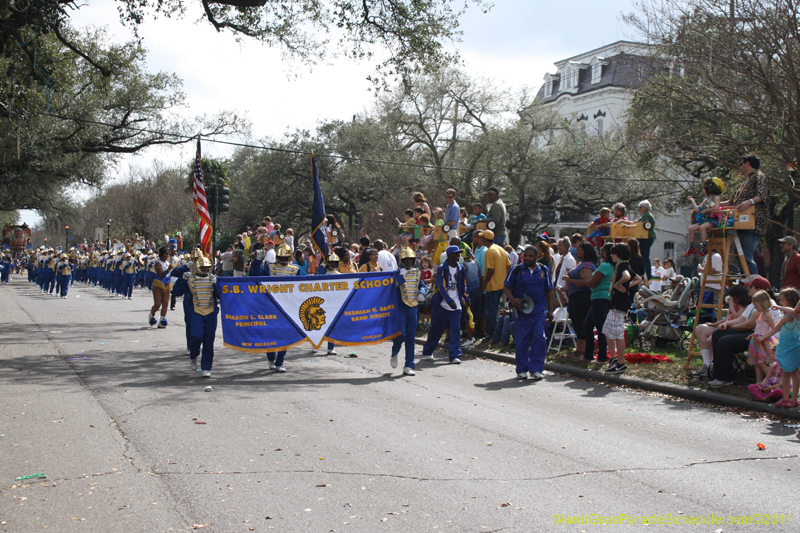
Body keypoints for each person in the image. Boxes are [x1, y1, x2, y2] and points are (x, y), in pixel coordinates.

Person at [707, 276, 777, 388]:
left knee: (725, 341)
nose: (748, 288)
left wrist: (732, 327)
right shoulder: (754, 302)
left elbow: (749, 324)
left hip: (763, 338)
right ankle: (718, 373)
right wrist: (727, 324)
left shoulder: (766, 303)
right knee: (717, 334)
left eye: (751, 286)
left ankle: (725, 378)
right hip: (753, 333)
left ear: (759, 289)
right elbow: (741, 319)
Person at [503, 245, 554, 379]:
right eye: (525, 255)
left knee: (540, 338)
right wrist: (513, 299)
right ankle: (521, 369)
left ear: (536, 257)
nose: (527, 258)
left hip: (538, 312)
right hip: (522, 312)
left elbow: (549, 290)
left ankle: (536, 369)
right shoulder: (516, 269)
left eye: (530, 256)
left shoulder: (543, 270)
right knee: (521, 341)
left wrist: (550, 310)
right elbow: (506, 287)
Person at [720, 153, 770, 275]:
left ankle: (754, 285)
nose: (740, 167)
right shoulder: (747, 181)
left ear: (747, 163)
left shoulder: (760, 176)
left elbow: (762, 195)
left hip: (752, 223)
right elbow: (732, 202)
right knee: (740, 257)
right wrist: (712, 205)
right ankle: (747, 284)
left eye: (741, 163)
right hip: (741, 223)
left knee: (746, 256)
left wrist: (750, 202)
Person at [690, 284, 750, 380]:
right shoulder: (734, 305)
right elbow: (727, 318)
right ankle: (707, 365)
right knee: (700, 328)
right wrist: (714, 324)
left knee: (711, 339)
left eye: (735, 298)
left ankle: (719, 365)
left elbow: (737, 318)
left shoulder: (744, 306)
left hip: (733, 329)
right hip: (724, 326)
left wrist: (731, 304)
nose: (733, 300)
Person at [422, 245, 469, 364]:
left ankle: (454, 355)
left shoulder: (461, 268)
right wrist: (449, 300)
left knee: (455, 330)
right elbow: (441, 287)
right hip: (442, 304)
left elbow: (463, 285)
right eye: (456, 254)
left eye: (459, 253)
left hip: (456, 305)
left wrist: (466, 298)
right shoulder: (442, 269)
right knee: (436, 329)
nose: (458, 256)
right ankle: (428, 351)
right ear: (449, 256)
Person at [261, 244, 301, 371]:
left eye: (286, 257)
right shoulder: (269, 267)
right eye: (281, 257)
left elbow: (303, 285)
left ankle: (280, 362)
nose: (283, 260)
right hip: (270, 305)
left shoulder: (295, 269)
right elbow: (255, 277)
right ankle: (270, 358)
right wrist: (257, 262)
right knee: (270, 333)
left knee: (285, 334)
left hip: (288, 306)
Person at [603, 243, 641, 374]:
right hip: (616, 302)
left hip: (619, 304)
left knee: (617, 333)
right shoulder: (624, 264)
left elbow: (627, 277)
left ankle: (620, 363)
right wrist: (627, 287)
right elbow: (638, 278)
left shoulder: (622, 265)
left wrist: (619, 284)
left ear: (618, 254)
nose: (611, 255)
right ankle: (613, 358)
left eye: (613, 253)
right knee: (607, 330)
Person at [390, 248, 427, 375]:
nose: (409, 261)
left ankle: (409, 365)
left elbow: (422, 285)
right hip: (401, 307)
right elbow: (393, 287)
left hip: (413, 307)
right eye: (406, 259)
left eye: (411, 259)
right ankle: (395, 352)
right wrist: (401, 276)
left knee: (411, 336)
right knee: (401, 333)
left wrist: (422, 293)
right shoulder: (397, 273)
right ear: (402, 260)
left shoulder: (418, 272)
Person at [181, 255, 219, 377]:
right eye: (202, 268)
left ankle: (206, 367)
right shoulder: (191, 280)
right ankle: (193, 355)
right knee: (196, 337)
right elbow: (176, 291)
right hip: (196, 312)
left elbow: (222, 295)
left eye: (207, 268)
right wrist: (183, 278)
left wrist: (217, 285)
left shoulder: (214, 279)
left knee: (209, 340)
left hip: (211, 313)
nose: (205, 270)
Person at [762, 288, 800, 407]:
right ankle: (785, 398)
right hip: (783, 346)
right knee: (785, 372)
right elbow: (776, 328)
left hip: (793, 347)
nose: (780, 302)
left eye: (783, 300)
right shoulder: (785, 315)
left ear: (791, 300)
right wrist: (782, 320)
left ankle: (794, 399)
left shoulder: (796, 314)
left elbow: (794, 311)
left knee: (794, 371)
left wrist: (779, 308)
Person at [562, 243, 596, 357]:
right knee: (576, 323)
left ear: (585, 252)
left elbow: (586, 282)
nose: (576, 252)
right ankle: (579, 348)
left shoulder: (587, 265)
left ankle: (583, 349)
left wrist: (568, 279)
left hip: (582, 297)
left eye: (579, 250)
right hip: (575, 297)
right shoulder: (580, 264)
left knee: (581, 323)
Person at [582, 243, 614, 363]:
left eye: (602, 250)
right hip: (600, 298)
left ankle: (601, 357)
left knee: (601, 328)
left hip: (600, 298)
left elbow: (592, 282)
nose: (600, 251)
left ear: (606, 252)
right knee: (587, 325)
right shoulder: (612, 266)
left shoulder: (605, 266)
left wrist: (592, 281)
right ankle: (588, 354)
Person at [479, 230, 510, 343]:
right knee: (499, 310)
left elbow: (490, 270)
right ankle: (498, 334)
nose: (481, 239)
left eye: (482, 238)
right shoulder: (501, 249)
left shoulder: (489, 251)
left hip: (492, 286)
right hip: (502, 286)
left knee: (490, 312)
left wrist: (484, 283)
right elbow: (508, 266)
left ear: (484, 239)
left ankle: (492, 335)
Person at [684, 177, 724, 257]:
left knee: (702, 227)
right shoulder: (705, 200)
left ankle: (704, 246)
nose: (703, 191)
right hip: (705, 220)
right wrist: (692, 201)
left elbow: (716, 207)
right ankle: (692, 247)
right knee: (691, 228)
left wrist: (707, 210)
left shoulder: (716, 197)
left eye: (704, 189)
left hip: (713, 220)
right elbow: (697, 209)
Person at [747, 290, 778, 384]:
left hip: (763, 341)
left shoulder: (768, 315)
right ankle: (759, 381)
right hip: (757, 340)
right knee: (757, 363)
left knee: (760, 362)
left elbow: (774, 329)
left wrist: (763, 337)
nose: (755, 308)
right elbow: (759, 327)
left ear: (763, 303)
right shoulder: (762, 313)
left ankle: (771, 378)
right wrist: (753, 334)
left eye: (756, 305)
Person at [149, 247, 173, 328]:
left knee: (165, 303)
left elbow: (170, 274)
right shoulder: (157, 263)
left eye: (168, 254)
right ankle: (151, 315)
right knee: (158, 304)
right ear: (161, 254)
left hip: (167, 283)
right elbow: (161, 274)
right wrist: (169, 269)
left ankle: (162, 319)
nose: (167, 255)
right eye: (166, 253)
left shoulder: (167, 263)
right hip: (158, 283)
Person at [635, 200, 656, 280]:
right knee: (644, 256)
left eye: (640, 207)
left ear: (645, 208)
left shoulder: (647, 216)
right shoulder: (645, 215)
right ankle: (645, 273)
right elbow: (636, 222)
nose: (639, 209)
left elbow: (639, 224)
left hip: (647, 238)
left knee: (645, 257)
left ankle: (648, 275)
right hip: (645, 238)